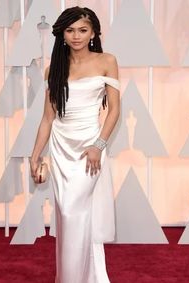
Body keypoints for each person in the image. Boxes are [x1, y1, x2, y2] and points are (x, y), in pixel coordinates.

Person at [30, 6, 120, 283]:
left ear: (93, 32)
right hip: (61, 148)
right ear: (62, 34)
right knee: (68, 217)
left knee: (73, 213)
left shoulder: (107, 61)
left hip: (89, 149)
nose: (76, 36)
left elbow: (114, 110)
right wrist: (35, 157)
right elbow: (48, 118)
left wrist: (99, 145)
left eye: (82, 30)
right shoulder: (53, 68)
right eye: (70, 30)